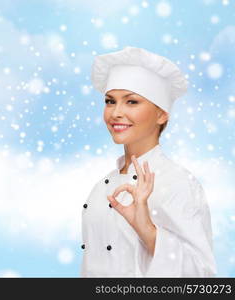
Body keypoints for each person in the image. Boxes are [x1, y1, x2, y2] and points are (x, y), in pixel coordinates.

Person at [80, 46, 217, 277]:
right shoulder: (100, 188)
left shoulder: (177, 182)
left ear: (162, 114)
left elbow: (201, 275)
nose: (116, 113)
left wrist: (147, 230)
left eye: (132, 102)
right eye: (110, 101)